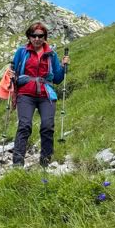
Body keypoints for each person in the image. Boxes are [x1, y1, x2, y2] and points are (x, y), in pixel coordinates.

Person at [10, 22, 69, 167]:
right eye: (33, 35)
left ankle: (45, 163)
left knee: (48, 126)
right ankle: (17, 164)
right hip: (25, 93)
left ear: (45, 37)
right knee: (24, 125)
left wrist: (63, 66)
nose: (37, 39)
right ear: (29, 37)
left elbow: (57, 78)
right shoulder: (22, 52)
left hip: (46, 94)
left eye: (40, 36)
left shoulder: (51, 54)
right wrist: (11, 75)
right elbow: (14, 71)